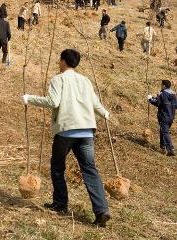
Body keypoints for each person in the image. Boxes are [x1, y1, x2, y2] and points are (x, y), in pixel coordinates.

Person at [22, 49, 111, 227]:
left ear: (63, 61)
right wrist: (105, 114)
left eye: (59, 59)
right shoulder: (85, 80)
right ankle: (102, 210)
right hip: (86, 131)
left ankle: (60, 204)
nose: (58, 62)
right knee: (90, 171)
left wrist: (29, 99)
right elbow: (95, 104)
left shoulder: (58, 79)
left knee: (57, 167)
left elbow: (53, 102)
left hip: (66, 131)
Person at [148, 80, 176, 156]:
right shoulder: (173, 95)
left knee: (165, 132)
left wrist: (150, 99)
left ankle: (171, 149)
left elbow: (157, 102)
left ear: (164, 86)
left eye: (161, 85)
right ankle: (162, 148)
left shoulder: (162, 94)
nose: (161, 86)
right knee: (162, 131)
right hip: (171, 118)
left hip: (164, 117)